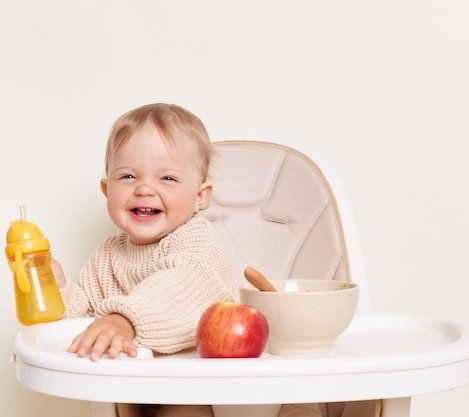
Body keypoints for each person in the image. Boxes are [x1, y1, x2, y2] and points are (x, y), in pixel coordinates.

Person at [53, 103, 328, 417]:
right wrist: (56, 291)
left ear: (201, 196)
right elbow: (89, 321)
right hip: (177, 390)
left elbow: (186, 283)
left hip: (247, 386)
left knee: (300, 405)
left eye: (168, 178)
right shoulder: (106, 256)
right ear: (106, 189)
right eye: (128, 176)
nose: (144, 188)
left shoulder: (194, 239)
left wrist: (124, 320)